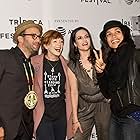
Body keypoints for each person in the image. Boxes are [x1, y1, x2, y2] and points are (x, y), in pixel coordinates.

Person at [94, 20, 140, 140]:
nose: (113, 36)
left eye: (117, 32)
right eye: (109, 34)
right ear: (106, 40)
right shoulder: (109, 60)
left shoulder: (135, 55)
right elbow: (107, 93)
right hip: (115, 115)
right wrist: (100, 73)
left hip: (134, 115)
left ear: (124, 34)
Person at [0, 20, 42, 140]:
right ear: (20, 38)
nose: (38, 40)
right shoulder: (4, 57)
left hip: (26, 128)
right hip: (7, 128)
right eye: (34, 36)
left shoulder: (30, 64)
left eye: (39, 37)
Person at [67, 27, 110, 140]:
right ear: (75, 44)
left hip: (103, 105)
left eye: (87, 37)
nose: (84, 40)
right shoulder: (72, 65)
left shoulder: (101, 56)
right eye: (79, 38)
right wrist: (75, 119)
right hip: (84, 106)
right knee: (78, 137)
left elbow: (112, 80)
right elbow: (74, 92)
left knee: (106, 137)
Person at [31, 30, 73, 140]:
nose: (59, 45)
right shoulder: (34, 62)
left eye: (61, 42)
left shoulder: (67, 64)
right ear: (45, 45)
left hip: (61, 116)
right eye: (55, 41)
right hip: (43, 115)